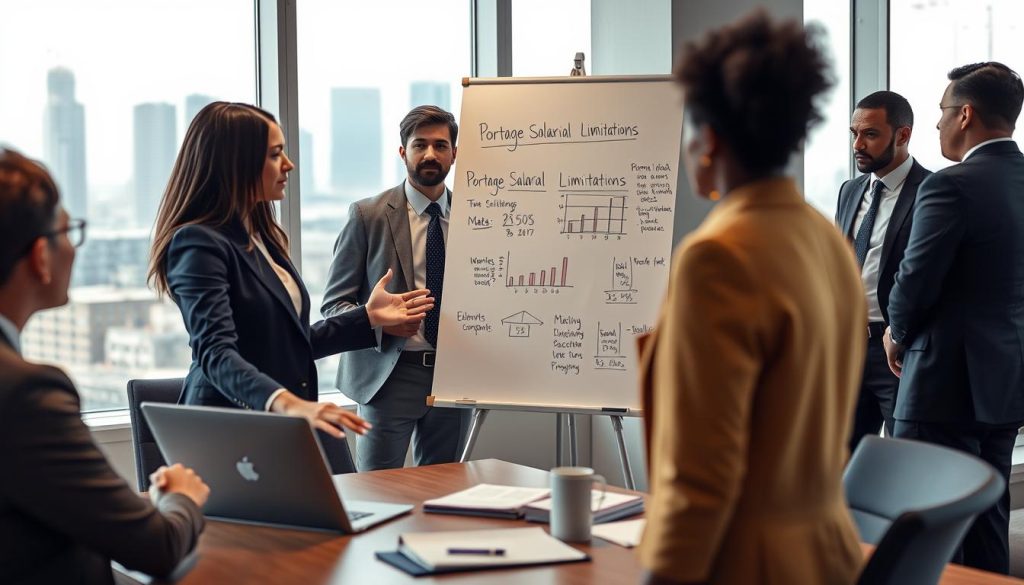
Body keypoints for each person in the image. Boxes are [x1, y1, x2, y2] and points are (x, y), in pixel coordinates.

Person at [637, 11, 865, 585]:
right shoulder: (824, 237)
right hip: (829, 553)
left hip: (744, 562)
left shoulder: (716, 257)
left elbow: (701, 475)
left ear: (710, 141)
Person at [148, 102, 434, 472]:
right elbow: (215, 353)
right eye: (274, 154)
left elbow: (289, 345)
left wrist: (367, 318)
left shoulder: (261, 238)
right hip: (226, 432)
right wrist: (288, 403)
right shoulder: (198, 243)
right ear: (237, 163)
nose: (289, 165)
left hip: (275, 430)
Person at [0, 148, 209, 584]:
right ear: (40, 256)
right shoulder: (26, 393)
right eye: (69, 232)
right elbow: (156, 547)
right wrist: (182, 498)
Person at [884, 62, 1024, 574]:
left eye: (943, 113)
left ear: (965, 115)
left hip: (943, 381)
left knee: (923, 522)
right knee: (988, 514)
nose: (939, 125)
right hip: (1006, 380)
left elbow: (914, 281)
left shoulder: (951, 186)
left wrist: (897, 334)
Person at [322, 105, 470, 471]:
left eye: (440, 145)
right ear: (403, 152)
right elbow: (333, 305)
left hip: (454, 376)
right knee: (376, 493)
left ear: (455, 153)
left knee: (443, 491)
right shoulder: (367, 215)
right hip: (387, 376)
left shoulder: (477, 216)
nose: (430, 154)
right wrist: (378, 322)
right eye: (420, 145)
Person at [835, 90, 931, 452]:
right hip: (847, 349)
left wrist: (903, 337)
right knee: (838, 462)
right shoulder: (850, 190)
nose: (858, 144)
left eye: (870, 134)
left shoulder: (933, 191)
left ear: (902, 135)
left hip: (899, 353)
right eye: (854, 133)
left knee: (904, 463)